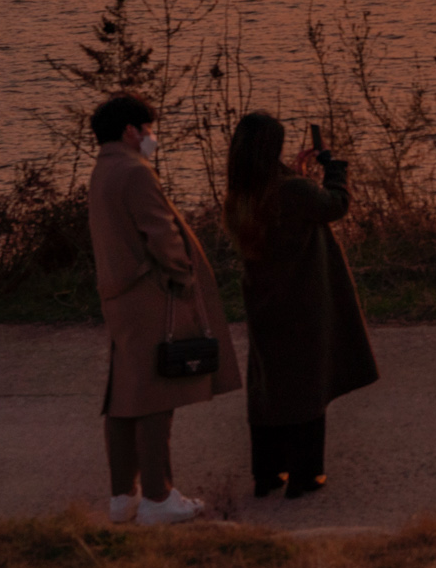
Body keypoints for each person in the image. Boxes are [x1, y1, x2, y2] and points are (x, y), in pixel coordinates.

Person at [86, 92, 239, 525]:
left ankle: (123, 495)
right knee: (156, 396)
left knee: (124, 395)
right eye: (148, 128)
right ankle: (158, 496)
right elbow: (161, 233)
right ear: (130, 130)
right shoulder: (135, 172)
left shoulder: (103, 169)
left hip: (119, 295)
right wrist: (184, 277)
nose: (151, 136)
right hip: (149, 295)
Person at [223, 109, 379, 500]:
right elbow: (335, 204)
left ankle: (267, 472)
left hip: (263, 301)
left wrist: (298, 174)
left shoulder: (242, 193)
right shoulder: (292, 191)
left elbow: (289, 211)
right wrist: (333, 168)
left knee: (268, 384)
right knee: (307, 384)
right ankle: (305, 474)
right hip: (302, 302)